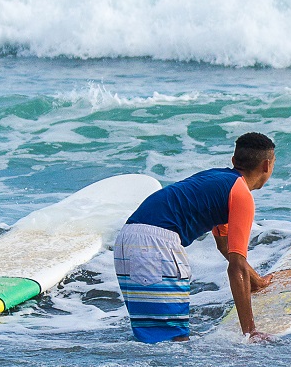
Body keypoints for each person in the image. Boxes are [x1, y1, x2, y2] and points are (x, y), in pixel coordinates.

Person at [114, 132, 276, 342]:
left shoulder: (217, 180)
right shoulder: (241, 194)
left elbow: (225, 245)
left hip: (127, 240)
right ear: (266, 166)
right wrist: (250, 332)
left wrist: (256, 282)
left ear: (234, 161)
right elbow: (236, 265)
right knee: (174, 343)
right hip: (157, 245)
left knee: (153, 339)